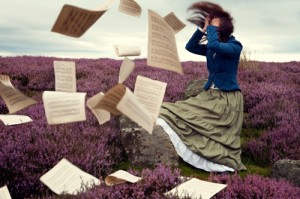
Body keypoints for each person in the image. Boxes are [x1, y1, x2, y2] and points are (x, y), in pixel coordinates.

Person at [156, 1, 246, 172]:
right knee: (175, 110)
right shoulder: (213, 47)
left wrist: (212, 28)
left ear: (224, 26)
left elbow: (214, 45)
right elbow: (190, 47)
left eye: (215, 22)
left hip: (227, 99)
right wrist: (202, 30)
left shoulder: (235, 46)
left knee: (201, 122)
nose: (211, 25)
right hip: (209, 95)